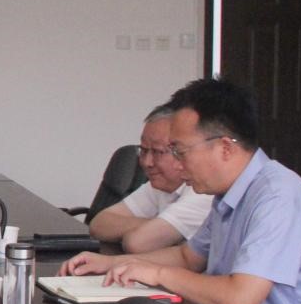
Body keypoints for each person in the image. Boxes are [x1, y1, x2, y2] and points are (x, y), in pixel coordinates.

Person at [63, 77, 301, 304]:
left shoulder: (277, 196)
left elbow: (241, 298)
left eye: (180, 151)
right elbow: (188, 257)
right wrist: (115, 264)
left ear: (225, 148)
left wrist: (157, 274)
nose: (177, 164)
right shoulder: (227, 194)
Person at [88, 104, 212, 252]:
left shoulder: (203, 192)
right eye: (144, 150)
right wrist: (159, 224)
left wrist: (153, 228)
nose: (147, 162)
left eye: (158, 152)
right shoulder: (162, 184)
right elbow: (99, 224)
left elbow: (137, 243)